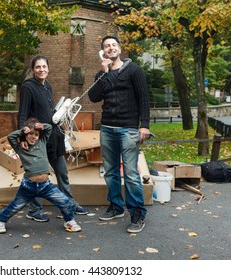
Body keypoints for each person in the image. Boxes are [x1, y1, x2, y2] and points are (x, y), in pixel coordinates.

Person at [88, 34, 151, 233]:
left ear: (120, 49)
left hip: (128, 129)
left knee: (131, 174)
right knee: (111, 171)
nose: (111, 48)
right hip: (107, 128)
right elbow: (94, 97)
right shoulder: (101, 74)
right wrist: (104, 72)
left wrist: (145, 126)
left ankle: (137, 214)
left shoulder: (134, 70)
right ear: (103, 51)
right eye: (107, 46)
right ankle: (116, 206)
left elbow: (144, 99)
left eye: (114, 45)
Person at [17, 55, 89, 222]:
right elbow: (22, 114)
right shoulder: (28, 87)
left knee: (62, 173)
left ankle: (69, 203)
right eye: (38, 67)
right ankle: (34, 210)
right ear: (33, 69)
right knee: (37, 175)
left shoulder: (47, 86)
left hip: (54, 137)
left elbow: (49, 113)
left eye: (44, 67)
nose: (42, 70)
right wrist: (22, 136)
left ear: (48, 68)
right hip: (37, 139)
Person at [0, 118, 81, 233]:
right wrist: (22, 131)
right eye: (30, 134)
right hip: (28, 186)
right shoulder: (20, 148)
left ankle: (69, 221)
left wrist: (39, 126)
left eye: (36, 134)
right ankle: (0, 221)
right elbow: (11, 137)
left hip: (46, 186)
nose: (33, 136)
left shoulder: (42, 141)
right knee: (15, 206)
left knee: (65, 201)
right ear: (25, 134)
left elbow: (49, 128)